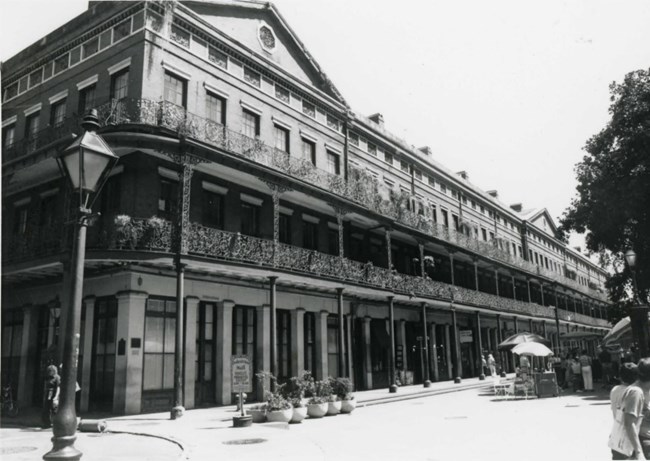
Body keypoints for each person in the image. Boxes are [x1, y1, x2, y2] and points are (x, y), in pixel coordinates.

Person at [609, 358, 650, 460]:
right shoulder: (636, 392)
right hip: (633, 446)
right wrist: (639, 452)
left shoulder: (641, 390)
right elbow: (629, 423)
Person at [41, 364, 60, 429]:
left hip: (53, 393)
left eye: (51, 371)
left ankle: (56, 422)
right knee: (46, 408)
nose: (50, 372)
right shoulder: (48, 377)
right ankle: (47, 422)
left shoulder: (57, 377)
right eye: (49, 371)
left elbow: (58, 387)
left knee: (54, 409)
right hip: (48, 393)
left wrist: (56, 396)